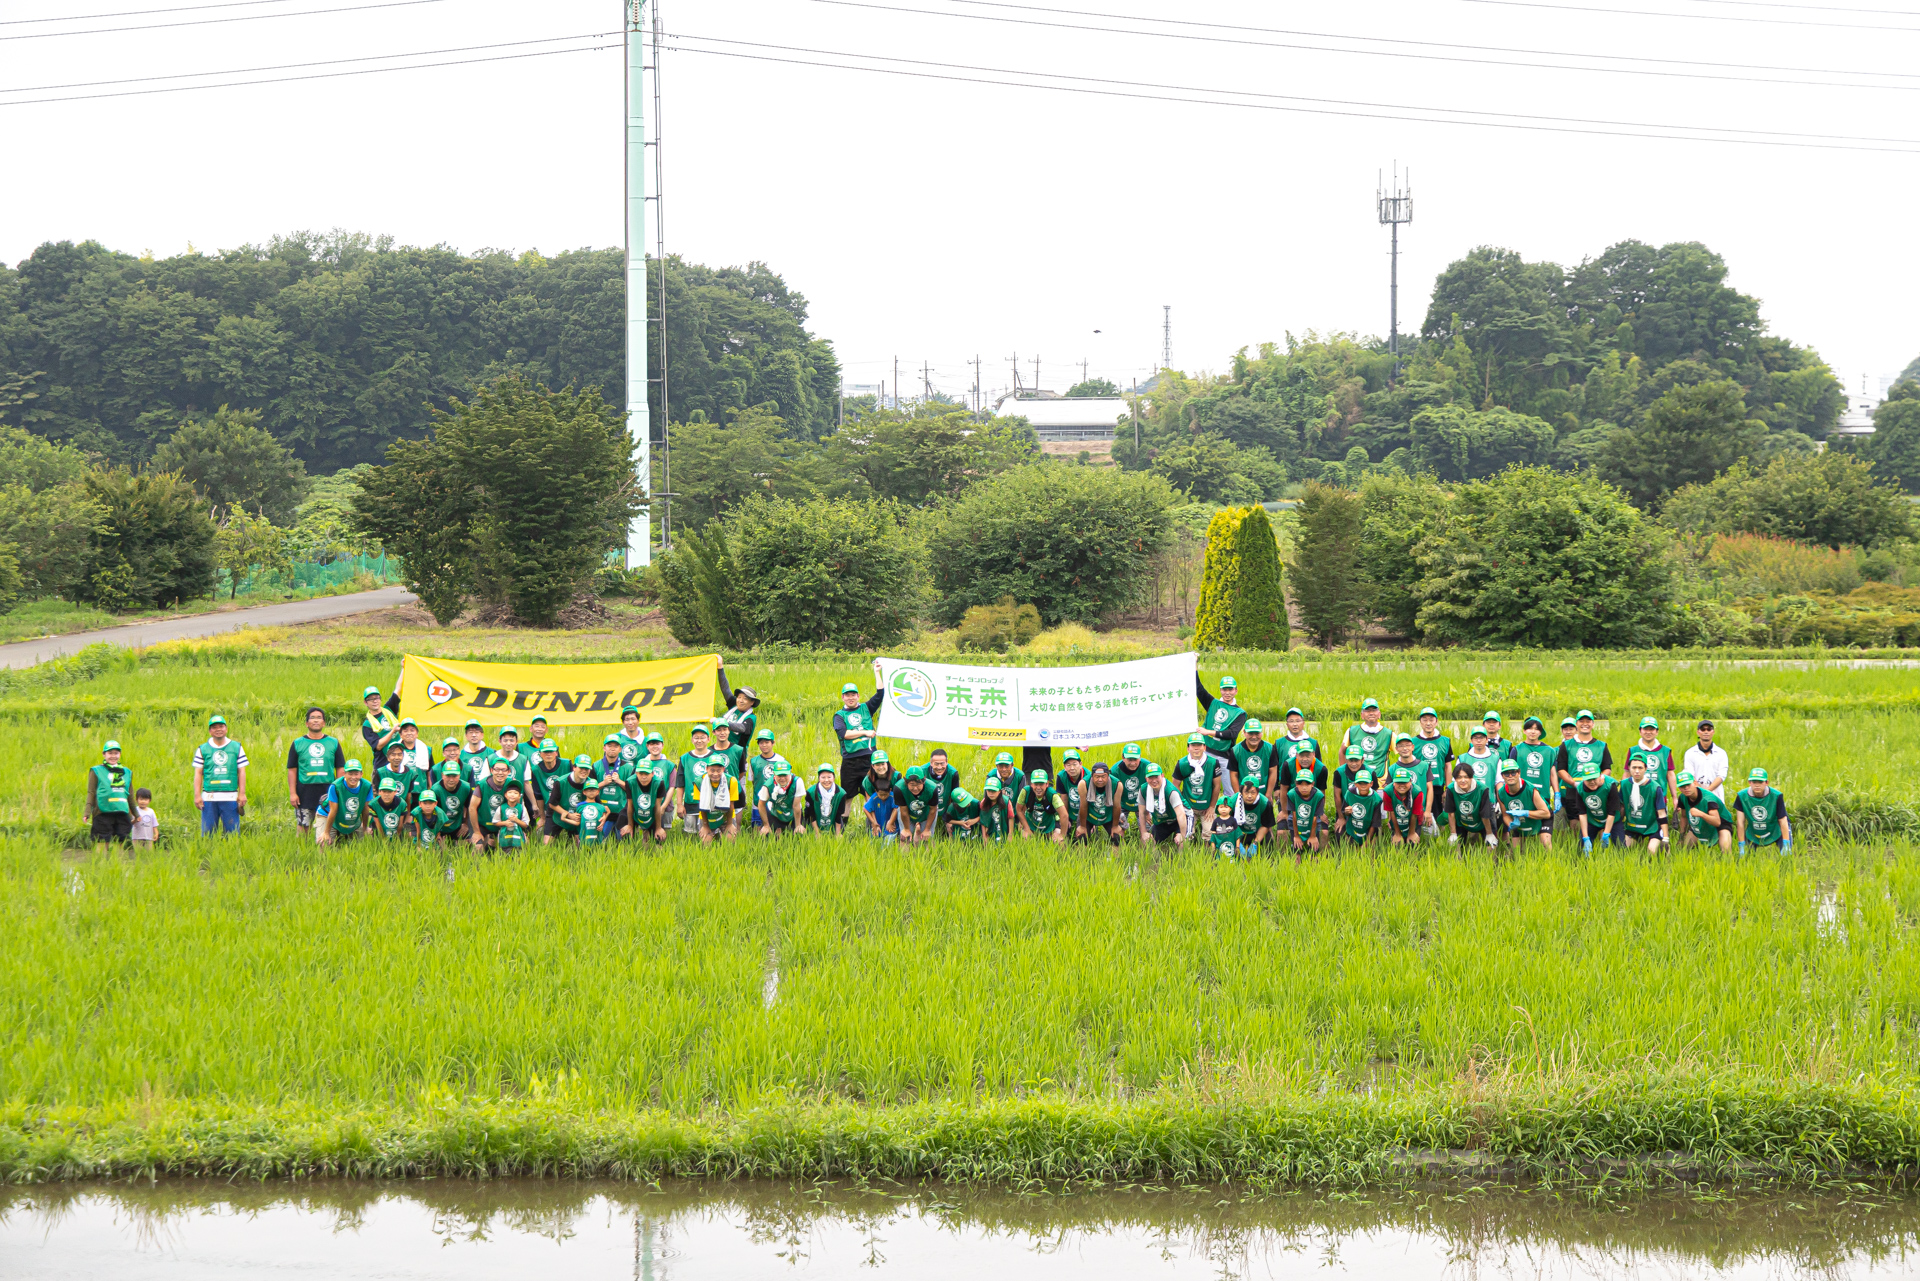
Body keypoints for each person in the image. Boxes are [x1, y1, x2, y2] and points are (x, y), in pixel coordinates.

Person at [287, 708, 345, 832]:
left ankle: (326, 844)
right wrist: (293, 793)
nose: (316, 720)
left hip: (328, 789)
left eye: (319, 718)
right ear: (307, 723)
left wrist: (339, 790)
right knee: (303, 825)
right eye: (312, 718)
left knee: (329, 824)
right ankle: (302, 845)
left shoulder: (333, 742)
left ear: (324, 723)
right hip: (304, 791)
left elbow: (340, 768)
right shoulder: (298, 743)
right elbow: (292, 770)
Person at [192, 713, 248, 835]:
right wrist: (197, 795)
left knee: (232, 834)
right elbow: (198, 773)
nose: (218, 729)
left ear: (226, 729)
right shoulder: (202, 749)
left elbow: (241, 771)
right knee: (208, 834)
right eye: (214, 727)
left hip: (230, 797)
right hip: (209, 797)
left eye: (221, 726)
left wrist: (242, 793)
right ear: (210, 731)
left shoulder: (236, 747)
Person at [834, 668, 885, 793]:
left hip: (869, 758)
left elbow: (880, 694)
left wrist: (877, 672)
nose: (850, 698)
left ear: (858, 696)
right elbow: (844, 734)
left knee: (871, 793)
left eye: (853, 695)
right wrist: (865, 732)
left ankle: (870, 807)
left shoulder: (866, 708)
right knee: (847, 795)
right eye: (847, 695)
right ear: (843, 697)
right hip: (850, 761)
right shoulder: (839, 715)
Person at [1195, 673, 1249, 780]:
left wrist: (1208, 732)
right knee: (1205, 785)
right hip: (1205, 752)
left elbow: (1232, 734)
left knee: (1229, 788)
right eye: (1224, 689)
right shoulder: (1213, 703)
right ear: (1220, 690)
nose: (1227, 692)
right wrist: (1194, 668)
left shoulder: (1240, 713)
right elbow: (1198, 688)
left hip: (1224, 756)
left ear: (1236, 690)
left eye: (1230, 689)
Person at [1172, 733, 1225, 838]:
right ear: (1188, 748)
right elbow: (1175, 786)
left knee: (1209, 834)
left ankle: (1207, 848)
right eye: (1193, 745)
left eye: (1199, 745)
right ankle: (1188, 847)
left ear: (1204, 747)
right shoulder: (1182, 763)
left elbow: (1217, 786)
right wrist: (1183, 804)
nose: (1196, 748)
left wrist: (1211, 807)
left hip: (1207, 805)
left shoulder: (1213, 763)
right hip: (1189, 805)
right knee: (1186, 834)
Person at [1496, 760, 1552, 852]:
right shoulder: (1501, 793)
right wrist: (1511, 824)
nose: (1510, 776)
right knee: (1515, 852)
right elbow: (1505, 815)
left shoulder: (1530, 789)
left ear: (1519, 773)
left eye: (1513, 772)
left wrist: (1525, 813)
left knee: (1545, 843)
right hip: (1519, 820)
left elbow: (1546, 813)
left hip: (1541, 818)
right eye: (1506, 773)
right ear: (1502, 776)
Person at [1564, 762, 1620, 854]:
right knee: (1580, 849)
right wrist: (1585, 838)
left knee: (1621, 847)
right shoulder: (1580, 789)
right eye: (1588, 779)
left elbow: (1612, 812)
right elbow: (1582, 813)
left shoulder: (1610, 785)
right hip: (1593, 820)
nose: (1592, 782)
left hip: (1613, 820)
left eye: (1594, 778)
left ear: (1600, 776)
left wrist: (1606, 834)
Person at [87, 740, 134, 850]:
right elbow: (91, 792)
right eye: (110, 753)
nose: (113, 756)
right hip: (102, 811)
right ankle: (101, 861)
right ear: (104, 754)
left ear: (120, 754)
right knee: (102, 840)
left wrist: (135, 813)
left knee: (121, 839)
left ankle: (118, 861)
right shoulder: (96, 771)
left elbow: (130, 795)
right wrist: (87, 812)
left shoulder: (126, 772)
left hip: (122, 811)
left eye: (116, 753)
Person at [1441, 762, 1499, 850]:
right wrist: (1453, 833)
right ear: (1455, 779)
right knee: (1455, 846)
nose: (1463, 780)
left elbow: (1485, 814)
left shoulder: (1482, 789)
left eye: (1466, 777)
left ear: (1471, 777)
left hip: (1483, 820)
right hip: (1461, 820)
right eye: (1459, 777)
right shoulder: (1451, 789)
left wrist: (1489, 834)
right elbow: (1451, 813)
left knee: (1491, 845)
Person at [1735, 767, 1792, 856]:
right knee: (1745, 859)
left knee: (1786, 857)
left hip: (1775, 829)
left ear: (1766, 783)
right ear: (1749, 782)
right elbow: (1740, 822)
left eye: (1760, 782)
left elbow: (1783, 820)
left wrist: (1786, 844)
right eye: (1754, 782)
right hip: (1753, 831)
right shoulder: (1742, 796)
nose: (1757, 785)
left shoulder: (1776, 796)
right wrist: (1741, 845)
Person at [315, 759, 373, 846]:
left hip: (349, 815)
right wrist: (326, 833)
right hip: (327, 814)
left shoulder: (367, 786)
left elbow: (365, 809)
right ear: (344, 774)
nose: (353, 777)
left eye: (356, 774)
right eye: (350, 774)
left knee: (362, 843)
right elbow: (333, 811)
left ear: (361, 774)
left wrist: (365, 828)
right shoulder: (336, 786)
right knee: (324, 843)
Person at [1618, 756, 1669, 855]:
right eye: (1634, 767)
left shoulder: (1655, 787)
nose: (1637, 771)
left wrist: (1666, 837)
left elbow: (1662, 814)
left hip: (1652, 827)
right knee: (1622, 848)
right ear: (1629, 768)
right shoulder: (1624, 785)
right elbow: (1622, 807)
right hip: (1632, 827)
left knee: (1652, 851)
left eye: (1640, 768)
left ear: (1646, 768)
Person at [670, 725, 715, 836]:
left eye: (702, 737)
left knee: (709, 833)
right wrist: (679, 804)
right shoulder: (685, 758)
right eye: (696, 737)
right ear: (692, 740)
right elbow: (680, 783)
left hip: (710, 802)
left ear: (708, 739)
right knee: (690, 834)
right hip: (691, 802)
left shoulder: (715, 757)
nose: (699, 740)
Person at [1674, 771, 1734, 853]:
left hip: (1721, 823)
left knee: (1725, 850)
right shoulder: (1682, 797)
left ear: (1695, 783)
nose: (1686, 788)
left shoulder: (1708, 799)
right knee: (1684, 848)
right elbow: (1684, 817)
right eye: (1682, 786)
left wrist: (1701, 814)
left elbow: (1717, 822)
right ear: (1679, 788)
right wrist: (1681, 837)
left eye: (1688, 785)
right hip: (1699, 824)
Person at [543, 755, 595, 844]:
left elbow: (596, 804)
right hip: (557, 815)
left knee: (580, 844)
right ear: (574, 768)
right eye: (581, 768)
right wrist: (569, 815)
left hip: (577, 818)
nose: (584, 771)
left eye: (587, 769)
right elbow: (552, 804)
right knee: (547, 843)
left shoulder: (591, 783)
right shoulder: (561, 782)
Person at [469, 758, 519, 850]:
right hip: (483, 824)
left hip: (504, 824)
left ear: (508, 771)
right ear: (491, 770)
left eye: (503, 770)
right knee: (477, 847)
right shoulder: (482, 785)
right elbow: (472, 808)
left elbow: (518, 807)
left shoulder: (512, 783)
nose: (500, 773)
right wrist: (476, 832)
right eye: (497, 769)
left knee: (517, 845)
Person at [1557, 710, 1612, 787]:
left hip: (1595, 789)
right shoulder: (1566, 745)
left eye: (1588, 721)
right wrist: (1574, 783)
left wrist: (1598, 781)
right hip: (1572, 789)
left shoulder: (1601, 746)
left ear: (1593, 724)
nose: (1585, 724)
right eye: (1581, 721)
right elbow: (1561, 769)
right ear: (1576, 724)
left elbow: (1607, 769)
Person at [1627, 717, 1676, 805]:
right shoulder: (1633, 750)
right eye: (1645, 729)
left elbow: (1670, 774)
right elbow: (1627, 773)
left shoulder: (1665, 751)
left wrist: (1675, 797)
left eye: (1651, 729)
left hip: (1659, 797)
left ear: (1656, 732)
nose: (1648, 732)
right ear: (1640, 731)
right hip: (1637, 796)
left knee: (1661, 814)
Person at [1136, 763, 1185, 847]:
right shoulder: (1143, 790)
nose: (1154, 780)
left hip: (1181, 818)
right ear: (1146, 778)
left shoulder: (1170, 791)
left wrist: (1182, 835)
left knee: (1182, 842)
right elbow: (1141, 812)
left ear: (1162, 776)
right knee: (1146, 841)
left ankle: (1182, 855)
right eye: (1150, 777)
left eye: (1156, 777)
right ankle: (1154, 856)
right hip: (1162, 820)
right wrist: (1144, 832)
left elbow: (1181, 814)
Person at [1343, 699, 1393, 780]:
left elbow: (1404, 752)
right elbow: (1342, 752)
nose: (1371, 713)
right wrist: (1345, 774)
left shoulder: (1388, 734)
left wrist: (1391, 778)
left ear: (1379, 714)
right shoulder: (1352, 731)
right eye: (1367, 710)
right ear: (1362, 715)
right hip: (1358, 780)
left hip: (1381, 781)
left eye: (1374, 710)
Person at [716, 657, 760, 746]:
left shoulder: (751, 718)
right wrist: (720, 667)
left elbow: (741, 728)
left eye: (745, 698)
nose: (741, 701)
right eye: (739, 697)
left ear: (752, 702)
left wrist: (720, 722)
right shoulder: (734, 705)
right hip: (722, 748)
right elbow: (725, 688)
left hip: (738, 752)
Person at [1682, 720, 1731, 800]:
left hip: (1716, 796)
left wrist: (1707, 791)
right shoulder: (1690, 753)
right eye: (1703, 729)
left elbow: (1721, 775)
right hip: (1695, 795)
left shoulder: (1721, 753)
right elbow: (1690, 774)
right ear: (1698, 732)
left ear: (1713, 732)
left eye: (1709, 729)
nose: (1706, 732)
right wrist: (1700, 792)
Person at [1082, 762, 1127, 847]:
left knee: (1117, 837)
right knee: (1081, 836)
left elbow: (1117, 806)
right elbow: (1083, 806)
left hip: (1108, 814)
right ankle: (1083, 855)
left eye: (1103, 776)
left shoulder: (1117, 784)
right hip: (1090, 814)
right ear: (1092, 776)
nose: (1100, 779)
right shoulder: (1083, 783)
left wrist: (1115, 826)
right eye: (1097, 777)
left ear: (1108, 776)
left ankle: (1117, 855)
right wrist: (1082, 826)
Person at [1232, 719, 1278, 802]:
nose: (1254, 737)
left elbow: (1273, 772)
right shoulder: (1236, 750)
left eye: (1257, 733)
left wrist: (1268, 794)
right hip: (1244, 793)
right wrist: (1238, 795)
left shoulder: (1270, 748)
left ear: (1261, 733)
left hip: (1263, 792)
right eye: (1250, 733)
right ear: (1244, 732)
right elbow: (1233, 775)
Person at [1336, 769, 1383, 849]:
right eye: (1360, 783)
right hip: (1352, 829)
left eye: (1366, 783)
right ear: (1355, 784)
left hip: (1369, 829)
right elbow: (1343, 811)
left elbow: (1375, 823)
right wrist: (1346, 812)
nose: (1363, 786)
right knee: (1347, 846)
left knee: (1372, 847)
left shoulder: (1376, 799)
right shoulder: (1349, 793)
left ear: (1371, 784)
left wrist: (1366, 843)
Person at [698, 757, 742, 842]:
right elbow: (702, 805)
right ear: (706, 769)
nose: (715, 774)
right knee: (706, 841)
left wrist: (729, 824)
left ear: (723, 769)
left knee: (730, 839)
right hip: (707, 816)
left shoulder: (731, 781)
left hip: (726, 816)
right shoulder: (699, 781)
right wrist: (705, 826)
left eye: (719, 771)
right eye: (712, 770)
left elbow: (731, 804)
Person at [1017, 768, 1066, 844]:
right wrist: (1026, 828)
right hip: (1031, 824)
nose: (1038, 787)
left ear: (1047, 784)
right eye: (1036, 784)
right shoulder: (1026, 791)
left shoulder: (1052, 794)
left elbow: (1064, 814)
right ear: (1031, 784)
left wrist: (1062, 835)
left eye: (1041, 784)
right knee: (1025, 840)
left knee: (1060, 842)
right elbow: (1019, 809)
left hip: (1050, 825)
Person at [1285, 771, 1327, 859]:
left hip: (1313, 822)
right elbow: (1294, 815)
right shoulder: (1292, 794)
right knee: (1297, 851)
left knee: (1314, 851)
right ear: (1296, 784)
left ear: (1312, 784)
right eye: (1300, 784)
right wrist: (1296, 836)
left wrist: (1312, 836)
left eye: (1307, 784)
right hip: (1297, 823)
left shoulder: (1318, 795)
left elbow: (1315, 818)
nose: (1304, 787)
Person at [427, 761, 473, 842]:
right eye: (448, 776)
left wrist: (466, 824)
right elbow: (433, 813)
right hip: (441, 825)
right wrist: (437, 831)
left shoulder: (466, 788)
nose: (451, 780)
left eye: (454, 776)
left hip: (458, 824)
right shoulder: (436, 790)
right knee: (440, 846)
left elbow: (471, 808)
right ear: (442, 775)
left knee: (468, 844)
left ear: (459, 775)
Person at [893, 767, 939, 845]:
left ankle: (928, 852)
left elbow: (933, 809)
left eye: (918, 784)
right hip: (907, 812)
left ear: (923, 782)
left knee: (927, 838)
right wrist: (906, 829)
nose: (915, 788)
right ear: (906, 783)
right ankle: (905, 853)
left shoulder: (932, 788)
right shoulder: (899, 788)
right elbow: (903, 810)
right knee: (905, 837)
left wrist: (927, 829)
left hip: (927, 812)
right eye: (912, 785)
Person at [1382, 766, 1425, 847]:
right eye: (1398, 782)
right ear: (1393, 783)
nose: (1402, 785)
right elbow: (1391, 812)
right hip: (1396, 819)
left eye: (1405, 782)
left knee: (1412, 844)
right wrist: (1397, 834)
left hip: (1414, 820)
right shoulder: (1388, 791)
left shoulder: (1417, 792)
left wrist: (1412, 833)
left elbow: (1415, 814)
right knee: (1397, 844)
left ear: (1410, 782)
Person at [746, 730, 782, 827]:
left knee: (776, 828)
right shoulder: (754, 761)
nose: (764, 745)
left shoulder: (781, 761)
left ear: (773, 743)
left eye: (767, 742)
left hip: (776, 801)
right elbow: (753, 781)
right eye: (761, 742)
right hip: (758, 801)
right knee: (757, 828)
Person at [1233, 776, 1275, 856]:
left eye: (1253, 792)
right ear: (1241, 792)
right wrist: (1238, 842)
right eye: (1246, 792)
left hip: (1257, 832)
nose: (1249, 796)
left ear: (1257, 792)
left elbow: (1265, 825)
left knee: (1268, 840)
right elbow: (1230, 823)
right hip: (1239, 832)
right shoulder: (1233, 801)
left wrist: (1255, 843)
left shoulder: (1265, 803)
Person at [758, 760, 801, 835]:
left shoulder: (797, 782)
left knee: (799, 833)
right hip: (774, 811)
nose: (782, 778)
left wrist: (798, 825)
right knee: (767, 835)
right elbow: (761, 804)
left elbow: (796, 805)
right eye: (779, 775)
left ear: (790, 772)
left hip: (792, 811)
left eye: (785, 775)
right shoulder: (768, 785)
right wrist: (766, 825)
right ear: (774, 773)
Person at [631, 759, 669, 843]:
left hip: (652, 811)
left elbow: (657, 806)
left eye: (646, 774)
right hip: (636, 810)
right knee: (626, 833)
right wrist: (630, 826)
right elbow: (629, 805)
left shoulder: (659, 783)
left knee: (660, 838)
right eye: (641, 773)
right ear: (636, 773)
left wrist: (659, 828)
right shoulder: (630, 782)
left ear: (652, 773)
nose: (644, 777)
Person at [806, 763, 850, 835]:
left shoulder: (841, 793)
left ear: (834, 778)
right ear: (819, 778)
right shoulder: (811, 792)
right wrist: (817, 833)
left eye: (829, 777)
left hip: (833, 821)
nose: (826, 780)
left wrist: (838, 834)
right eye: (823, 777)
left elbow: (838, 815)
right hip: (815, 821)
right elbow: (811, 814)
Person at [860, 751, 900, 832]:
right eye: (877, 765)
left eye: (883, 764)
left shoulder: (896, 776)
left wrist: (891, 821)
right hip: (876, 807)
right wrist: (874, 822)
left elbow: (899, 802)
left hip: (894, 806)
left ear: (887, 764)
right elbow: (870, 803)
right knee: (872, 831)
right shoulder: (868, 780)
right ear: (873, 766)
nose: (881, 767)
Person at [1111, 744, 1151, 820]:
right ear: (1123, 757)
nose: (1133, 763)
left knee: (1149, 825)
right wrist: (1116, 813)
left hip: (1144, 802)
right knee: (1118, 825)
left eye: (1135, 759)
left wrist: (1148, 810)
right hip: (1122, 803)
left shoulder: (1148, 766)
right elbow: (1111, 794)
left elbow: (1157, 787)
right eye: (1129, 760)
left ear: (1140, 757)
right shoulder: (1115, 771)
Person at [376, 741, 420, 811]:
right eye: (393, 755)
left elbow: (408, 796)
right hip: (383, 810)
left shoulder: (410, 773)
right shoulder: (380, 772)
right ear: (388, 757)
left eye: (399, 754)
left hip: (402, 810)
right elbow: (377, 795)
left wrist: (408, 813)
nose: (396, 757)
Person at [1054, 749, 1088, 840]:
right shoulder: (1061, 776)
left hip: (1086, 811)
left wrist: (1092, 823)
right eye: (1068, 765)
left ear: (1080, 764)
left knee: (1084, 836)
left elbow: (1092, 801)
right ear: (1064, 767)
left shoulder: (1088, 777)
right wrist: (1065, 818)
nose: (1072, 768)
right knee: (1060, 834)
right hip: (1070, 809)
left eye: (1074, 764)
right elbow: (1064, 798)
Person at [360, 684, 399, 760]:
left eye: (377, 698)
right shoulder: (367, 725)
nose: (375, 701)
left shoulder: (389, 709)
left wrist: (404, 674)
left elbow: (398, 689)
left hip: (399, 756)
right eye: (371, 699)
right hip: (383, 761)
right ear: (365, 702)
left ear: (380, 699)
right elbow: (378, 745)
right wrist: (393, 731)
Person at [862, 768, 899, 843]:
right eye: (881, 795)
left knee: (889, 841)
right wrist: (874, 822)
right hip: (878, 823)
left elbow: (896, 808)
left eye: (885, 795)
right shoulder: (874, 797)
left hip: (889, 824)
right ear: (876, 791)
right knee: (874, 840)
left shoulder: (892, 796)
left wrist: (891, 822)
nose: (883, 797)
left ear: (890, 790)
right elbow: (865, 809)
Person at [1278, 708, 1319, 775]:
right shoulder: (1279, 743)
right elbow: (1274, 768)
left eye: (1298, 721)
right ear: (1287, 724)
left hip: (1308, 780)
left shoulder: (1313, 743)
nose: (1295, 724)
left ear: (1303, 723)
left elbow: (1318, 766)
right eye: (1291, 721)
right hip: (1284, 780)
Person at [577, 780, 613, 848]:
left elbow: (607, 813)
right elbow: (577, 821)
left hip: (598, 837)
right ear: (584, 792)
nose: (591, 792)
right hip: (584, 837)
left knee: (598, 852)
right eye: (589, 790)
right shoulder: (580, 806)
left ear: (597, 792)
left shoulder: (601, 807)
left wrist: (605, 817)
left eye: (593, 790)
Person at [979, 776, 1017, 842]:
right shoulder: (983, 803)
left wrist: (1010, 834)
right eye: (989, 791)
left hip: (1003, 828)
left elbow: (1011, 817)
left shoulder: (1006, 801)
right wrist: (984, 836)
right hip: (990, 830)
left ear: (999, 791)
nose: (991, 793)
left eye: (994, 791)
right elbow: (983, 821)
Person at [495, 783, 531, 851]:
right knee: (504, 853)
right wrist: (505, 823)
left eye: (515, 793)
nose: (512, 795)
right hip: (504, 837)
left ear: (519, 796)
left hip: (518, 836)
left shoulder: (522, 808)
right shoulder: (501, 808)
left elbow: (526, 825)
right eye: (510, 792)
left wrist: (516, 820)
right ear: (505, 795)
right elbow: (495, 822)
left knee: (519, 854)